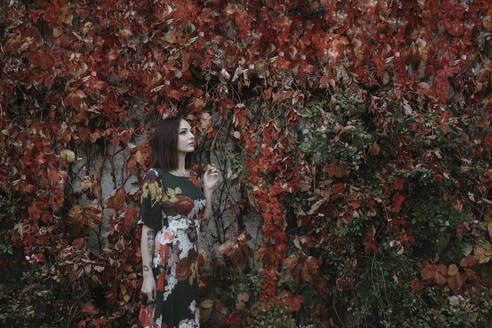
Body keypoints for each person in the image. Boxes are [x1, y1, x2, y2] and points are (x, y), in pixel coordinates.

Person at [138, 114, 218, 328]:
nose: (192, 136)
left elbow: (201, 221)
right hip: (166, 263)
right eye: (184, 132)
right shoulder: (155, 176)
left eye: (191, 131)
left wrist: (208, 191)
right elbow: (148, 228)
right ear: (168, 139)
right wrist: (147, 276)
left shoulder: (192, 177)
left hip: (189, 265)